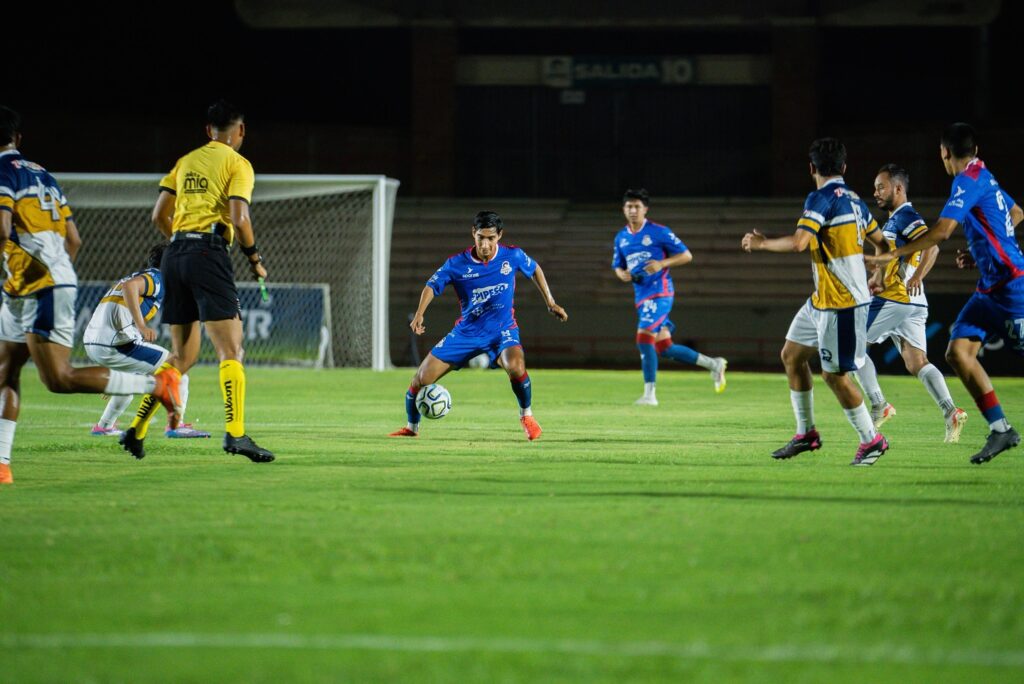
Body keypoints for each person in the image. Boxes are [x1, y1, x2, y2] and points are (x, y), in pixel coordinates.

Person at [0, 106, 179, 485]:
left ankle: (155, 384)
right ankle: (2, 465)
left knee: (58, 378)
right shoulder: (44, 176)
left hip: (33, 283)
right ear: (17, 139)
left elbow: (2, 230)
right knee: (6, 369)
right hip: (39, 281)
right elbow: (75, 240)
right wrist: (60, 275)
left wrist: (43, 278)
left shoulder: (3, 174)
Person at [119, 100, 273, 463]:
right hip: (209, 254)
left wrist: (183, 242)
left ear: (208, 131)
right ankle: (235, 434)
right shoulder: (238, 164)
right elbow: (239, 215)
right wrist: (254, 259)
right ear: (240, 131)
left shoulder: (185, 161)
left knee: (182, 357)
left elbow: (159, 214)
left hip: (174, 256)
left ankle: (136, 430)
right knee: (230, 351)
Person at [866, 123, 1023, 464]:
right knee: (956, 353)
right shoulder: (985, 174)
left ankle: (879, 404)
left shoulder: (966, 180)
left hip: (1011, 285)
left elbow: (940, 232)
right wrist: (981, 251)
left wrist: (893, 255)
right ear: (975, 149)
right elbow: (1015, 213)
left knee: (852, 342)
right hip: (989, 286)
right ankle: (1001, 430)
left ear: (944, 153)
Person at [742, 137, 892, 466]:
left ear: (811, 168)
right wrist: (877, 278)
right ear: (844, 167)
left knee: (835, 375)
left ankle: (873, 441)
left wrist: (763, 243)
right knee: (792, 356)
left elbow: (800, 243)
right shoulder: (856, 201)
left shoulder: (821, 198)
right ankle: (806, 434)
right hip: (822, 300)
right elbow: (883, 246)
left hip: (842, 303)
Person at [389, 211, 568, 440]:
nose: (485, 244)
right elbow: (431, 286)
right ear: (473, 234)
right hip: (467, 333)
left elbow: (535, 269)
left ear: (499, 236)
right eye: (480, 237)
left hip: (502, 330)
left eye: (490, 238)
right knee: (420, 380)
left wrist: (550, 302)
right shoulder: (457, 264)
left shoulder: (512, 256)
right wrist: (420, 314)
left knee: (516, 366)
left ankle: (527, 415)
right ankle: (411, 428)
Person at [854, 164, 968, 441]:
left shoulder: (907, 216)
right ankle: (950, 410)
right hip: (912, 302)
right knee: (916, 361)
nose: (876, 193)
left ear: (898, 188)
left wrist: (917, 274)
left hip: (896, 297)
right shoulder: (894, 220)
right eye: (875, 188)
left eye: (881, 187)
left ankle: (879, 404)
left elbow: (933, 245)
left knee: (850, 346)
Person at [612, 188, 726, 405]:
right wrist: (622, 274)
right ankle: (714, 364)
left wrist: (661, 264)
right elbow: (617, 265)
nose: (633, 210)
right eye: (629, 206)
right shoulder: (621, 237)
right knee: (665, 347)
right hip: (641, 296)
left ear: (645, 209)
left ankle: (649, 395)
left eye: (637, 206)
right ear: (623, 209)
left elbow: (686, 255)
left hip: (660, 292)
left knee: (643, 338)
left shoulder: (659, 232)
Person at [83, 245, 210, 439]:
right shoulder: (157, 278)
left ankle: (104, 427)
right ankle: (176, 425)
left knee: (126, 385)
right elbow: (130, 287)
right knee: (177, 367)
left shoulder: (138, 276)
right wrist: (142, 326)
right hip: (115, 343)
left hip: (95, 343)